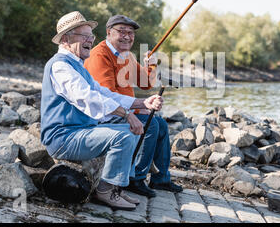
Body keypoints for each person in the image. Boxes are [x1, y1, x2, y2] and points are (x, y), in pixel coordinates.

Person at [40, 11, 164, 210]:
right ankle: (104, 191)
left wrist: (142, 103)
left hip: (80, 132)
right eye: (84, 36)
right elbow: (88, 97)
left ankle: (117, 188)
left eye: (91, 36)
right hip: (63, 138)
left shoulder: (78, 65)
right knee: (122, 137)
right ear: (65, 39)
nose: (90, 40)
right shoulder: (60, 66)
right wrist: (126, 114)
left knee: (134, 132)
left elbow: (106, 93)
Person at [84, 15, 182, 198]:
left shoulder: (125, 56)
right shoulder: (100, 55)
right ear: (108, 32)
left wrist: (150, 66)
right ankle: (135, 177)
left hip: (124, 109)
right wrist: (137, 108)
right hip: (104, 114)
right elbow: (107, 97)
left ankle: (161, 178)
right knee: (150, 124)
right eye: (122, 31)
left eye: (130, 33)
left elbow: (145, 83)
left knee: (160, 124)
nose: (127, 36)